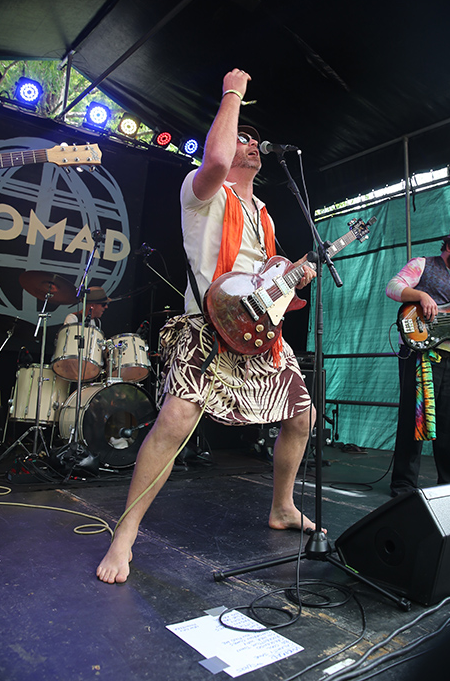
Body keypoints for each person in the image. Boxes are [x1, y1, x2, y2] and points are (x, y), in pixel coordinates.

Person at [97, 68, 318, 584]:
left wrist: (293, 278)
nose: (251, 145)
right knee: (175, 422)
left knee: (301, 416)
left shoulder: (264, 214)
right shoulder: (202, 193)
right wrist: (232, 92)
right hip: (208, 326)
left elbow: (265, 281)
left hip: (259, 333)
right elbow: (216, 159)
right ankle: (124, 536)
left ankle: (282, 506)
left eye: (255, 142)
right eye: (242, 137)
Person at [386, 224, 450, 496]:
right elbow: (393, 287)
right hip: (421, 354)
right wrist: (421, 295)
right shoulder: (422, 264)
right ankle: (404, 484)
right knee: (414, 417)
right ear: (449, 247)